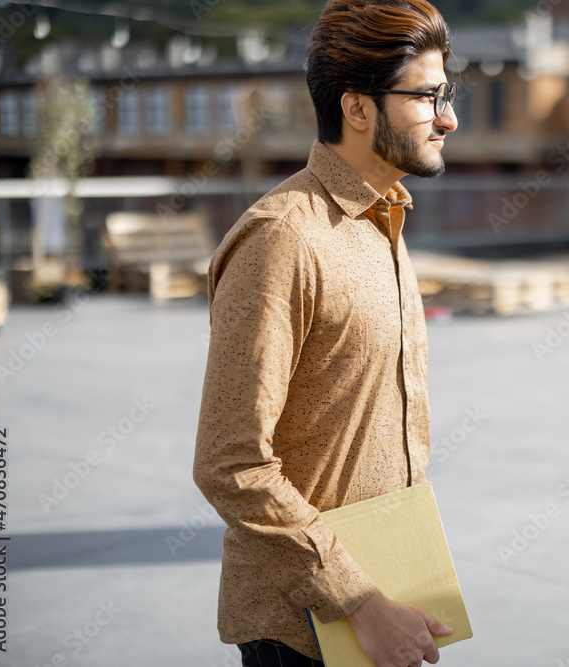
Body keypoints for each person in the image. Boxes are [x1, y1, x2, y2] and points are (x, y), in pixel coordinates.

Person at [193, 1, 459, 665]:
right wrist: (360, 601)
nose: (449, 117)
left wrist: (389, 595)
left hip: (389, 603)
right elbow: (231, 463)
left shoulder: (385, 222)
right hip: (307, 633)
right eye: (428, 96)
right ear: (359, 108)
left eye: (447, 94)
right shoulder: (282, 240)